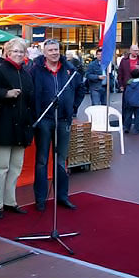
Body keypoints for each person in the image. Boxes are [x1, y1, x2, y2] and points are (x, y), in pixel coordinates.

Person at [0, 38, 35, 219]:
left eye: (22, 51)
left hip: (21, 127)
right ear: (7, 53)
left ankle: (10, 201)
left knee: (16, 167)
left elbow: (30, 101)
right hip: (3, 125)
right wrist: (5, 94)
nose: (19, 54)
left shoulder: (26, 74)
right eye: (16, 51)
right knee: (1, 167)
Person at [30, 39, 84, 211]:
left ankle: (62, 196)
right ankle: (40, 199)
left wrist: (72, 107)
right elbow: (30, 92)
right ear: (44, 53)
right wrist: (35, 113)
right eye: (50, 50)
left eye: (56, 49)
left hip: (63, 120)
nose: (54, 52)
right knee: (42, 160)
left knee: (61, 160)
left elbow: (80, 89)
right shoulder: (35, 70)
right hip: (44, 120)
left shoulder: (70, 69)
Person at [118, 45, 139, 112]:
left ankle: (137, 121)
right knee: (126, 106)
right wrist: (120, 85)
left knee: (138, 107)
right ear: (131, 51)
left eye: (138, 50)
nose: (137, 52)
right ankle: (126, 121)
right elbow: (120, 73)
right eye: (135, 51)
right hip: (127, 85)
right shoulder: (124, 60)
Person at [123, 68, 139, 135]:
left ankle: (126, 127)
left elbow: (126, 93)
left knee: (128, 115)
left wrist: (126, 101)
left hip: (130, 102)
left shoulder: (129, 83)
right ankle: (136, 129)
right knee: (138, 116)